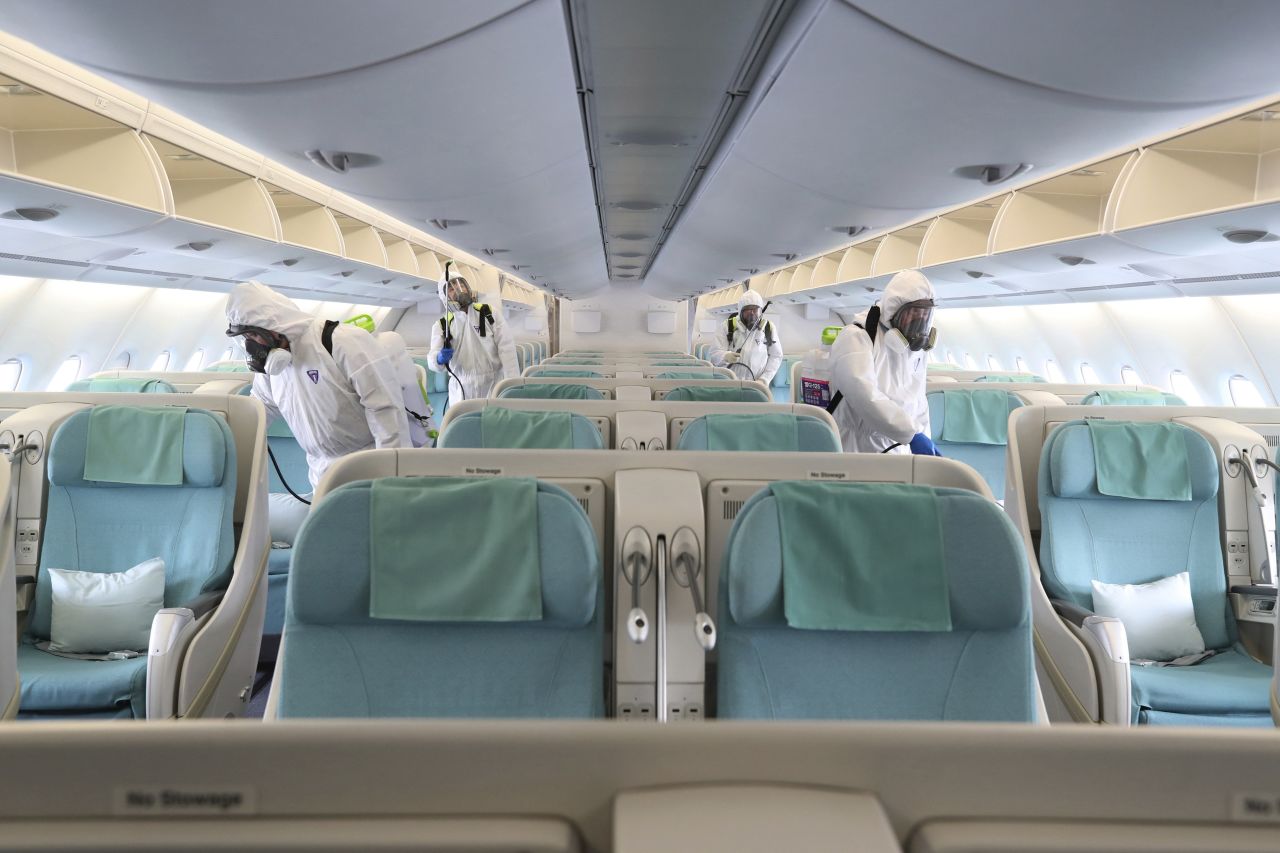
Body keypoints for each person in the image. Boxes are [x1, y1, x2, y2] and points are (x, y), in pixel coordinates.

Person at [225, 281, 410, 490]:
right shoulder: (272, 368)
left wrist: (390, 480)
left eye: (253, 335)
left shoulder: (341, 342)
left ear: (272, 327)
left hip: (366, 464)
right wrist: (223, 434)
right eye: (246, 339)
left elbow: (385, 409)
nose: (252, 346)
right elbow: (258, 412)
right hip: (320, 472)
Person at [827, 269, 942, 455]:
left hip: (903, 445)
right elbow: (865, 396)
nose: (920, 322)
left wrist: (924, 436)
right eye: (914, 314)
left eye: (925, 315)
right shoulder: (857, 336)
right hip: (858, 447)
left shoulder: (915, 349)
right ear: (893, 311)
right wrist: (912, 435)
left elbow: (918, 399)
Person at [427, 263, 519, 407]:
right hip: (461, 390)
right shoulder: (442, 325)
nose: (458, 289)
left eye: (460, 285)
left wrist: (513, 385)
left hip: (493, 384)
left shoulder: (488, 313)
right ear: (444, 296)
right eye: (451, 288)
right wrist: (438, 359)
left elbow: (507, 349)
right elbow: (432, 360)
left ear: (468, 288)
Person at [375, 329, 436, 447]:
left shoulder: (409, 377)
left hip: (418, 432)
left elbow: (423, 402)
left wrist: (427, 407)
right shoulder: (380, 380)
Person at [710, 290, 784, 384]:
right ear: (740, 311)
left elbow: (776, 356)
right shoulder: (727, 326)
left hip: (757, 385)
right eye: (748, 310)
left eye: (755, 309)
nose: (752, 313)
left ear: (760, 311)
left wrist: (764, 379)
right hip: (729, 384)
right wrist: (725, 356)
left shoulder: (768, 328)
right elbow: (714, 353)